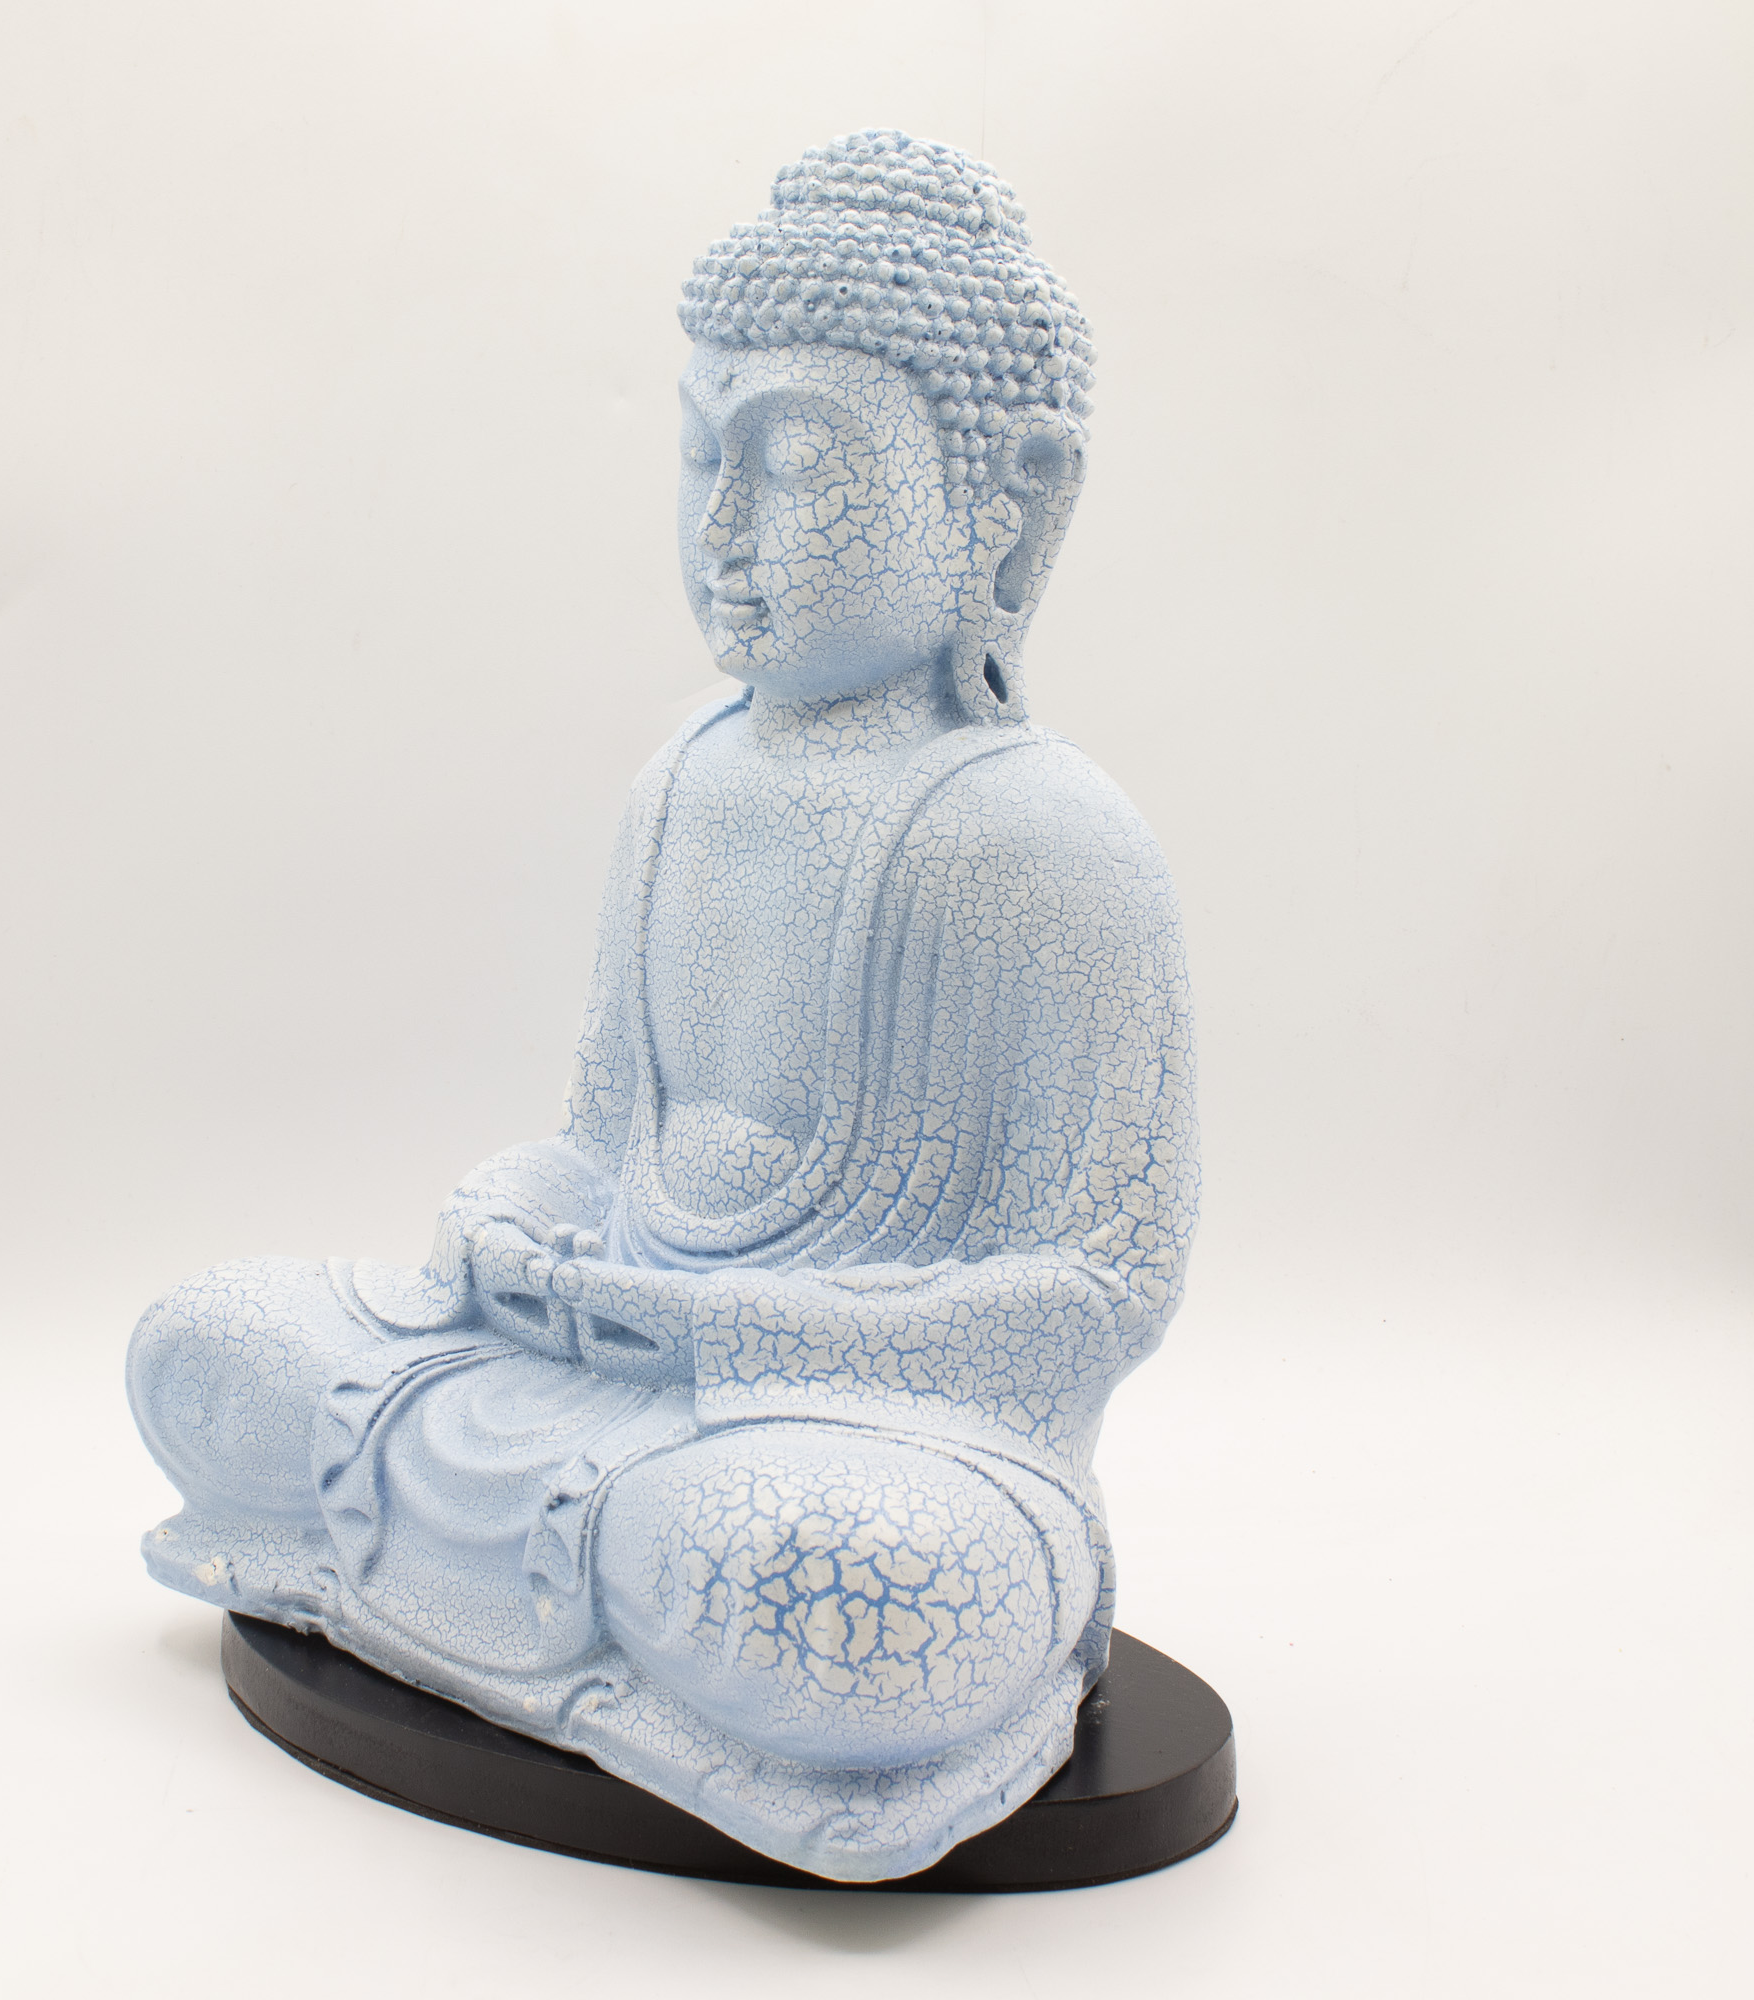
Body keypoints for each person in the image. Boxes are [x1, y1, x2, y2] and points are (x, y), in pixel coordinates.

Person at [128, 130, 1197, 1882]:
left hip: (868, 1433)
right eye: (702, 455)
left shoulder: (1051, 843)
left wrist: (732, 1340)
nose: (724, 532)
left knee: (848, 1592)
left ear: (1009, 503)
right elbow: (606, 1144)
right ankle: (566, 1619)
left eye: (797, 465)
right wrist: (507, 1219)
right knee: (211, 1345)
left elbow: (1095, 1294)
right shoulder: (684, 787)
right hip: (591, 1374)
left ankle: (551, 1610)